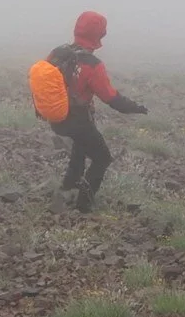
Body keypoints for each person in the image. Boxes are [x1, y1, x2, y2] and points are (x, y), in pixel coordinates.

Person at [48, 11, 148, 213]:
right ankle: (84, 205)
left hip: (56, 117)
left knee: (80, 147)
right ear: (99, 34)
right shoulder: (92, 65)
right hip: (78, 120)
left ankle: (68, 188)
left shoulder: (57, 54)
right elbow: (111, 98)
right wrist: (136, 108)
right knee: (102, 158)